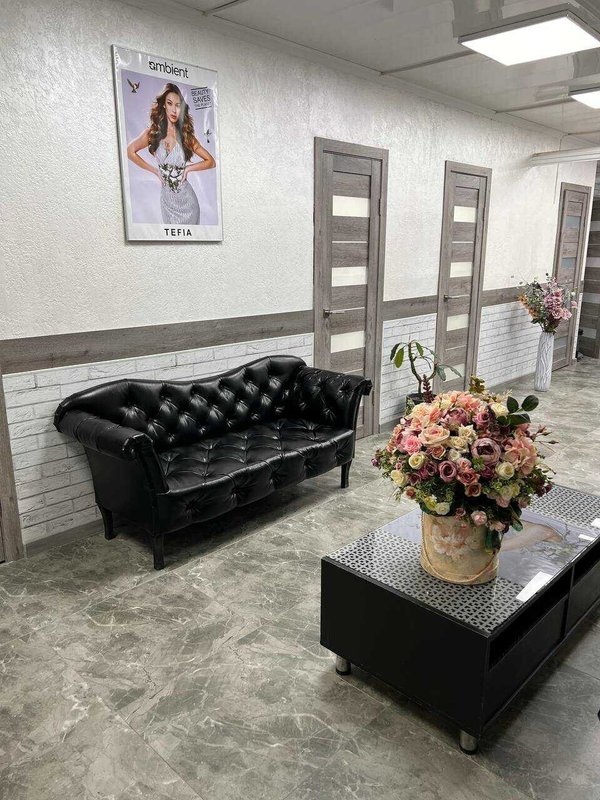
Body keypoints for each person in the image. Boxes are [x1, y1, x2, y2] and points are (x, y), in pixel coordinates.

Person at [127, 82, 215, 225]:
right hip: (167, 203)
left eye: (178, 105)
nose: (174, 110)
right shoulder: (152, 133)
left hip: (188, 203)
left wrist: (188, 169)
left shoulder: (186, 136)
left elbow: (211, 161)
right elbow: (130, 151)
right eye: (169, 103)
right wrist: (155, 171)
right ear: (163, 105)